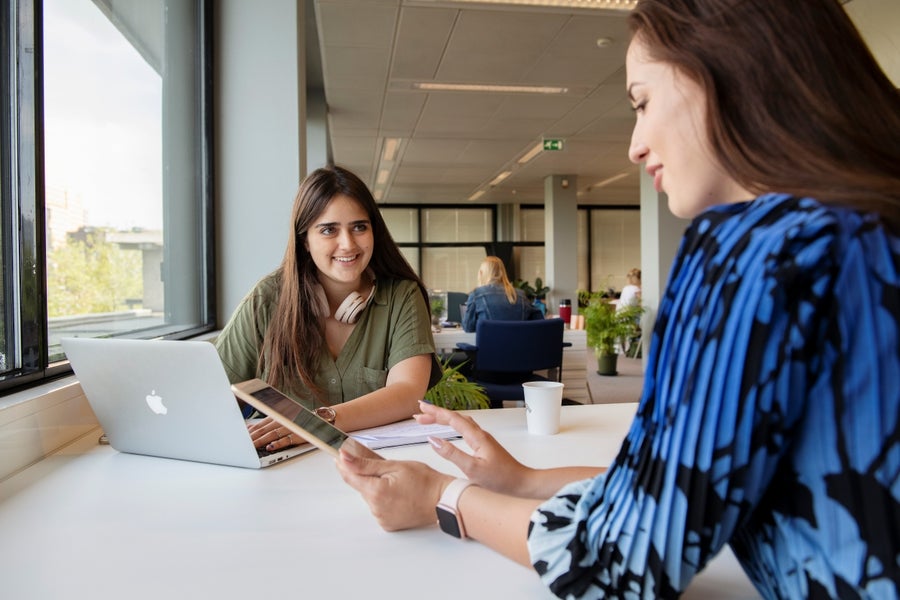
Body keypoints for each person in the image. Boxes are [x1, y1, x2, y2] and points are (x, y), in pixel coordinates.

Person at [335, 1, 900, 598]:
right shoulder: (869, 229)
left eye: (643, 102)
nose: (634, 144)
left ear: (725, 74)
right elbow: (685, 485)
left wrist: (442, 498)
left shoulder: (753, 250)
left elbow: (621, 559)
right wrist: (521, 479)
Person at [215, 165, 441, 452]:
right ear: (305, 240)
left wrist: (315, 421)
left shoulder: (401, 296)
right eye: (328, 230)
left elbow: (408, 393)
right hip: (281, 473)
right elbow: (215, 393)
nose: (347, 244)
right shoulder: (267, 299)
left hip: (376, 468)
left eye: (359, 227)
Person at [461, 256, 543, 333]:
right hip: (519, 347)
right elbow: (539, 321)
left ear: (482, 274)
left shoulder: (477, 295)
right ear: (503, 273)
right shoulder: (521, 295)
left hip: (491, 347)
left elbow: (468, 327)